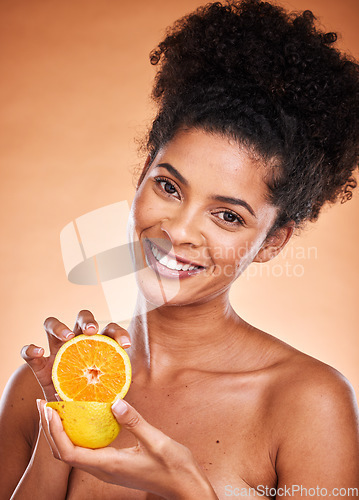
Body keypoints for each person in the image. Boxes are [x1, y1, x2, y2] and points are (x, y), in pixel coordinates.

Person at [1, 0, 359, 498]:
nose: (178, 230)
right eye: (169, 187)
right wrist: (59, 428)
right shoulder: (38, 389)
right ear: (145, 168)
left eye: (228, 215)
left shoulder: (307, 404)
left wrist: (190, 489)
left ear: (274, 241)